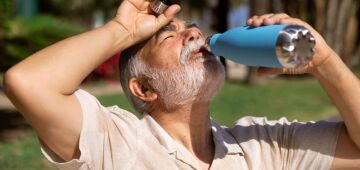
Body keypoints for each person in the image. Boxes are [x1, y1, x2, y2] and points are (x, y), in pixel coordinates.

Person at [3, 0, 360, 169]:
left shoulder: (265, 146)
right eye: (168, 36)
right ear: (144, 89)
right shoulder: (113, 142)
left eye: (191, 28)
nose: (194, 33)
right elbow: (28, 83)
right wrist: (122, 31)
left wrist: (323, 62)